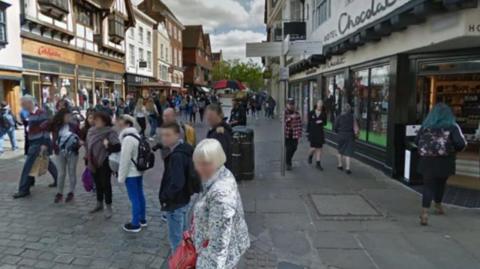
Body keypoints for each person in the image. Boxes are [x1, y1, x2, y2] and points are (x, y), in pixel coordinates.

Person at [192, 139, 250, 268]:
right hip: (225, 247)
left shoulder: (221, 196)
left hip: (219, 258)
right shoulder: (221, 172)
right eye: (196, 163)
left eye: (202, 164)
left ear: (214, 162)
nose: (197, 168)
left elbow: (219, 244)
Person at [416, 103, 467, 226]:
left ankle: (424, 212)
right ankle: (438, 205)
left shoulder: (425, 126)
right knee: (441, 183)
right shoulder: (453, 127)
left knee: (428, 185)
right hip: (445, 160)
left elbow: (417, 141)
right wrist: (455, 150)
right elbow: (460, 143)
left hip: (427, 160)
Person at [13, 95, 58, 199]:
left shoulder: (41, 113)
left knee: (28, 166)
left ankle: (23, 189)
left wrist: (44, 144)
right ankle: (58, 179)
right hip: (33, 142)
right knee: (47, 162)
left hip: (39, 143)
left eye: (23, 104)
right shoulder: (31, 114)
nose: (22, 106)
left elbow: (46, 130)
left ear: (29, 103)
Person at [159, 122, 194, 251]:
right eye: (163, 135)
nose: (164, 138)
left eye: (168, 135)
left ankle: (179, 263)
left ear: (177, 135)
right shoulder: (185, 149)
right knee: (184, 235)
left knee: (176, 241)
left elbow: (177, 182)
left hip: (175, 203)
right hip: (184, 199)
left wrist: (165, 196)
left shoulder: (177, 156)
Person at [86, 111, 120, 218]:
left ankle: (109, 206)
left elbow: (117, 147)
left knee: (106, 184)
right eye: (95, 120)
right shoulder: (91, 131)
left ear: (105, 122)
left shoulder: (110, 132)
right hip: (93, 161)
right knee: (97, 184)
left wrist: (107, 145)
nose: (96, 122)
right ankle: (99, 204)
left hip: (104, 160)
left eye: (98, 120)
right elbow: (88, 146)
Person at [116, 115, 147, 232]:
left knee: (134, 197)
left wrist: (121, 177)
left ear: (127, 124)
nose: (119, 123)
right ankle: (142, 219)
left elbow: (125, 160)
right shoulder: (136, 135)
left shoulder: (128, 139)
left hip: (131, 173)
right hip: (138, 171)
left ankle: (135, 223)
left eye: (121, 121)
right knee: (140, 195)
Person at [50, 109, 81, 203]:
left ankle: (71, 192)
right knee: (61, 173)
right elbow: (50, 135)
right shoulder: (56, 126)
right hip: (60, 152)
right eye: (67, 116)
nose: (69, 118)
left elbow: (80, 137)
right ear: (62, 116)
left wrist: (78, 144)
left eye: (70, 116)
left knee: (72, 172)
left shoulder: (74, 126)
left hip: (72, 152)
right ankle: (59, 193)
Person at [206, 104, 233, 170]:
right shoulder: (215, 130)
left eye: (211, 115)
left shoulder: (220, 134)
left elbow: (219, 159)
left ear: (219, 116)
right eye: (207, 115)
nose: (208, 118)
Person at [334, 104, 358, 174]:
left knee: (340, 150)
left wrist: (337, 132)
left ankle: (340, 165)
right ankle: (348, 168)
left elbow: (335, 126)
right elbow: (356, 126)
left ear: (343, 109)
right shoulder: (353, 117)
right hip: (350, 136)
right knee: (348, 152)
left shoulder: (339, 117)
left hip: (341, 135)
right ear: (350, 110)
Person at [307, 100, 327, 170]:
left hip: (320, 132)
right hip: (312, 132)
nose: (320, 107)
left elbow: (325, 123)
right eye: (319, 105)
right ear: (316, 105)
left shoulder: (324, 113)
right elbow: (309, 123)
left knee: (319, 148)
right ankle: (310, 155)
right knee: (313, 148)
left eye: (321, 105)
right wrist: (307, 132)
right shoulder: (311, 113)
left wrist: (321, 121)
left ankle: (318, 163)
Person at [284, 99, 302, 171]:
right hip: (287, 133)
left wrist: (299, 134)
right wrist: (290, 117)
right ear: (287, 104)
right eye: (290, 104)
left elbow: (300, 123)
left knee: (294, 148)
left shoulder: (297, 112)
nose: (291, 106)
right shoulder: (284, 112)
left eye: (292, 104)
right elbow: (282, 121)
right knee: (288, 148)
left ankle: (288, 159)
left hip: (295, 134)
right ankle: (288, 163)